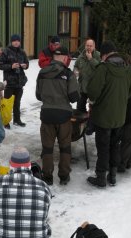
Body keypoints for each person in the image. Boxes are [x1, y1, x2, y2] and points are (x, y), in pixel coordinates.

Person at [86, 41, 131, 187]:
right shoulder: (127, 69)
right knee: (115, 145)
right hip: (120, 117)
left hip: (103, 117)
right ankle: (112, 176)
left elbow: (93, 91)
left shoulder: (103, 69)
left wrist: (97, 100)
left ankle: (101, 177)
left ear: (105, 55)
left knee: (103, 147)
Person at [36, 46, 80, 186]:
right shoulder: (68, 74)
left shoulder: (42, 72)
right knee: (65, 146)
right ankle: (64, 175)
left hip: (47, 115)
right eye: (67, 57)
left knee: (47, 147)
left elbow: (38, 95)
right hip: (63, 116)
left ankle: (47, 176)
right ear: (63, 57)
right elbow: (74, 97)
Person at [0, 34, 29, 128]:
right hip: (9, 82)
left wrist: (25, 65)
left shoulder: (22, 52)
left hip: (19, 81)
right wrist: (11, 66)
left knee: (17, 102)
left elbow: (27, 63)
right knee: (7, 103)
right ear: (11, 42)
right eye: (14, 40)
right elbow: (0, 65)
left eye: (18, 41)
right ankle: (5, 121)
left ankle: (17, 120)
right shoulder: (5, 51)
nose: (16, 42)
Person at [74, 38, 101, 113]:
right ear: (85, 46)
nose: (88, 47)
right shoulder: (81, 56)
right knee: (80, 108)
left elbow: (100, 69)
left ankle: (91, 122)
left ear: (94, 46)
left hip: (93, 88)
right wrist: (75, 71)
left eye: (90, 46)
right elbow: (76, 66)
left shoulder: (98, 55)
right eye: (87, 45)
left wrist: (91, 59)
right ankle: (82, 122)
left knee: (94, 109)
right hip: (82, 87)